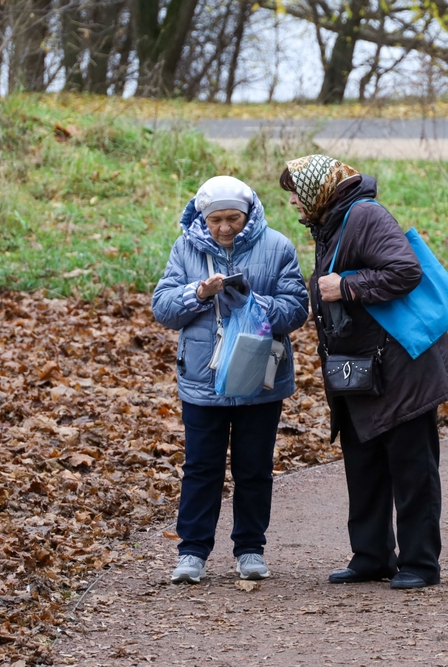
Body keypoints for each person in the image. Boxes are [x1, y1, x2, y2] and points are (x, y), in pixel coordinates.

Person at [279, 155, 448, 590]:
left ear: (320, 189)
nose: (293, 204)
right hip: (363, 370)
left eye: (296, 195)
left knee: (411, 469)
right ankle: (372, 556)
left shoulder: (365, 215)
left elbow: (405, 270)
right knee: (364, 466)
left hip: (401, 370)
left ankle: (419, 563)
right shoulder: (333, 220)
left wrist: (346, 286)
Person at [152, 175, 309, 584]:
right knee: (201, 468)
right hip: (203, 379)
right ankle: (192, 552)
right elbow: (163, 308)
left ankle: (250, 549)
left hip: (260, 377)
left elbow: (296, 309)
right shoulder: (185, 247)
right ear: (204, 218)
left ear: (249, 214)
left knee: (254, 467)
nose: (225, 228)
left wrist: (251, 302)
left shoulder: (277, 247)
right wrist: (197, 295)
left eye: (233, 218)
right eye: (217, 219)